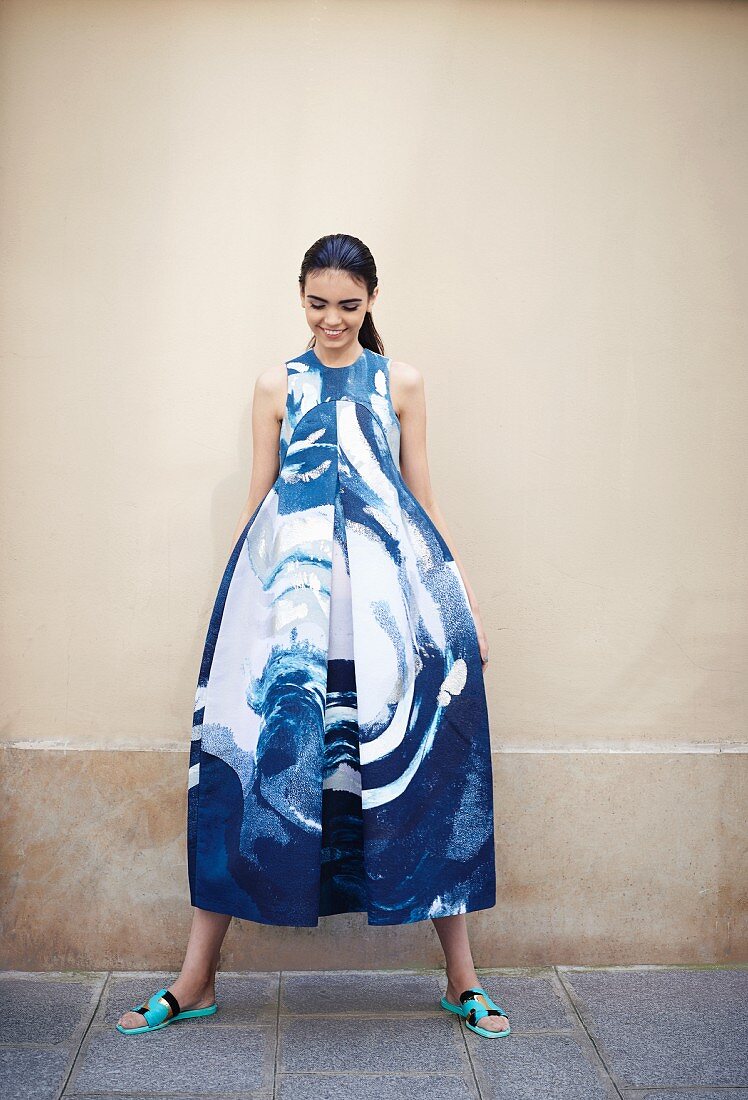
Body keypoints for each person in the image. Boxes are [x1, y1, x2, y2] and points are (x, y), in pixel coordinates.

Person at [116, 234, 510, 1040]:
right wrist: (231, 602)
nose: (332, 319)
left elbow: (420, 497)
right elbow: (261, 502)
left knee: (424, 774)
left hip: (389, 608)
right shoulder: (276, 385)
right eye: (318, 303)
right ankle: (196, 981)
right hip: (288, 613)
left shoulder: (401, 382)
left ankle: (463, 980)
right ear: (300, 296)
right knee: (247, 777)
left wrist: (457, 594)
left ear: (372, 301)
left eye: (349, 305)